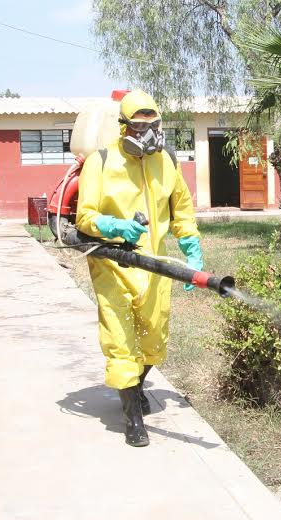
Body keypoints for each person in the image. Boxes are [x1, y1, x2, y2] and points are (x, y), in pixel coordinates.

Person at [75, 90, 203, 447]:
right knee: (121, 339)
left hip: (155, 264)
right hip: (112, 261)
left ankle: (135, 385)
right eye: (138, 125)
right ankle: (132, 416)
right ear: (123, 127)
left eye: (153, 125)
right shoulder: (101, 162)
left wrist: (192, 250)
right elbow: (85, 216)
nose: (147, 133)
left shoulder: (168, 161)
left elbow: (183, 212)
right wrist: (116, 228)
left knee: (154, 337)